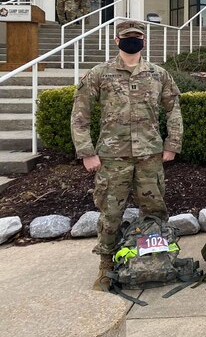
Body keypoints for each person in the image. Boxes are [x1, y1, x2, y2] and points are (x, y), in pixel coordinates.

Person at [71, 20, 183, 290]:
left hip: (149, 155)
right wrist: (87, 152)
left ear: (144, 41)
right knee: (111, 212)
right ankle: (106, 265)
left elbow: (174, 111)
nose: (132, 41)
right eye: (127, 37)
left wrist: (172, 144)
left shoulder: (159, 75)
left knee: (155, 210)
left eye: (137, 37)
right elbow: (80, 115)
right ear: (116, 41)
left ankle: (154, 259)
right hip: (113, 156)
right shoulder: (100, 74)